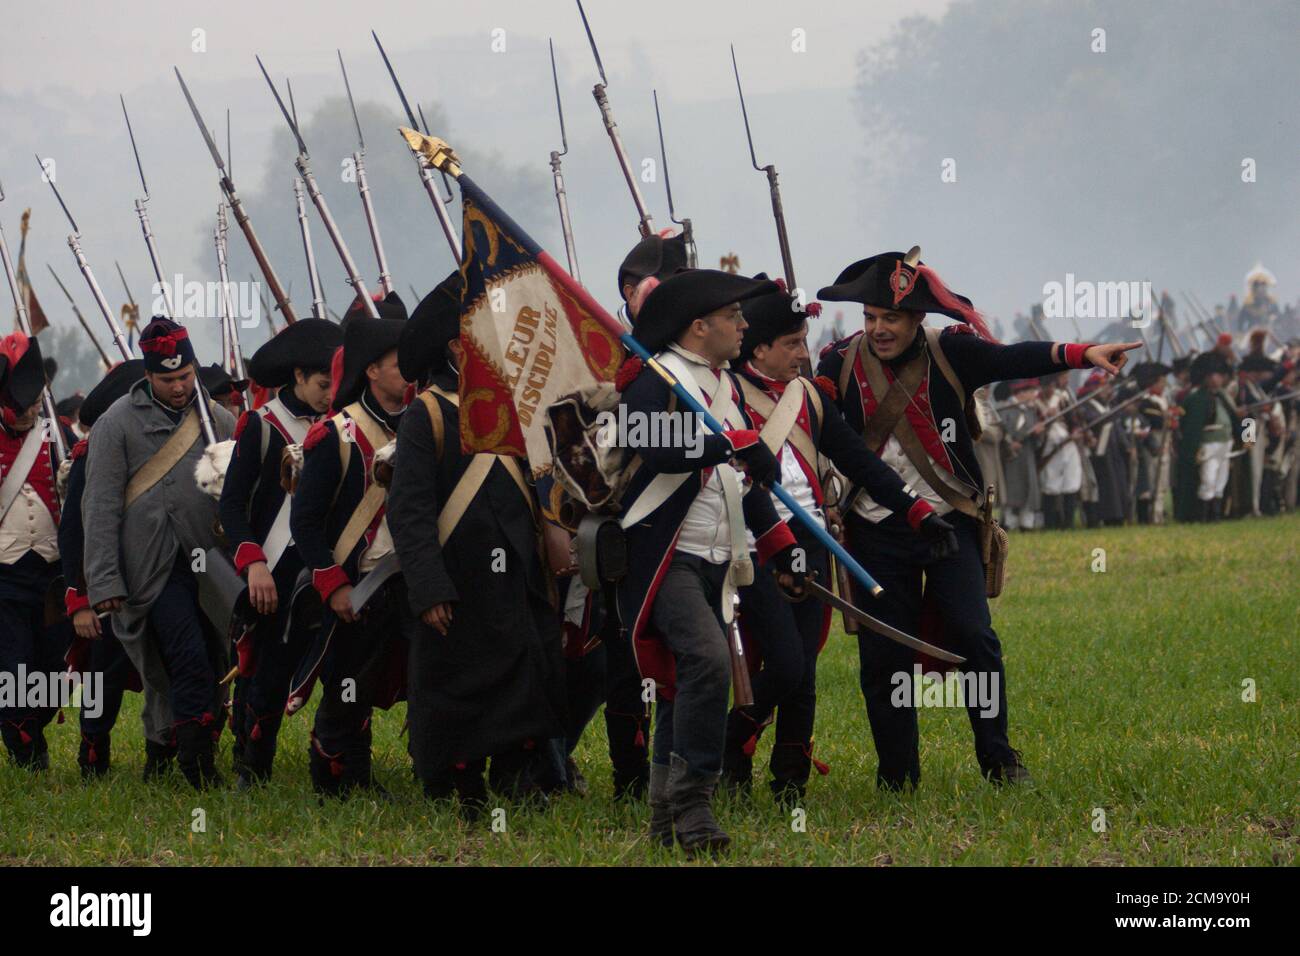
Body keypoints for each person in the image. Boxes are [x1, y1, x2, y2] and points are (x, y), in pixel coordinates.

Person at [815, 249, 1139, 790]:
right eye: (870, 318)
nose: (878, 329)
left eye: (889, 318)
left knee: (974, 638)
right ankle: (897, 774)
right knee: (883, 653)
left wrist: (1084, 353)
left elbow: (1014, 359)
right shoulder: (837, 363)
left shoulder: (953, 353)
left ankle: (999, 759)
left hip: (948, 522)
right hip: (875, 527)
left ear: (916, 318)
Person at [724, 280, 955, 805]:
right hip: (752, 541)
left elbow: (861, 462)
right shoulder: (726, 397)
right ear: (758, 347)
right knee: (775, 664)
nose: (804, 353)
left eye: (803, 341)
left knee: (802, 668)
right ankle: (728, 751)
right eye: (791, 343)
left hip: (809, 538)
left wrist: (915, 511)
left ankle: (790, 782)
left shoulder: (809, 395)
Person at [614, 269, 804, 854]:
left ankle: (665, 818)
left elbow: (745, 481)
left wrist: (783, 546)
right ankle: (695, 809)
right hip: (662, 558)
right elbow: (653, 442)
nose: (745, 326)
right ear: (701, 326)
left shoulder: (721, 387)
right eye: (734, 318)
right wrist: (728, 443)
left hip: (719, 561)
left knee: (679, 686)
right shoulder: (652, 380)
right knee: (707, 661)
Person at [388, 271, 565, 815]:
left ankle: (521, 775)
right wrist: (429, 587)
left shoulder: (518, 409)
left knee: (526, 672)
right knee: (459, 685)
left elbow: (544, 484)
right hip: (457, 577)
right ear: (455, 348)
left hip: (517, 570)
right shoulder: (429, 415)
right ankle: (462, 783)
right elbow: (409, 511)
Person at [83, 318, 237, 789]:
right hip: (154, 568)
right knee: (185, 659)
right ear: (148, 375)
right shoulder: (115, 424)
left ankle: (171, 748)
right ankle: (197, 769)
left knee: (215, 662)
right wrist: (104, 581)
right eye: (168, 379)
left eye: (186, 376)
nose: (179, 386)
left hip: (211, 564)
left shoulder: (222, 421)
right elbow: (100, 505)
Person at [288, 300, 412, 798]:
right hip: (356, 584)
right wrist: (332, 583)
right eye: (400, 363)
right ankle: (337, 773)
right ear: (374, 369)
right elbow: (306, 521)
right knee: (349, 684)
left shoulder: (419, 426)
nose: (409, 373)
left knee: (397, 675)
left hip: (407, 577)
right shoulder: (335, 435)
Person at [219, 319, 340, 787]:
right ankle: (253, 763)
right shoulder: (263, 425)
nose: (330, 393)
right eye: (322, 384)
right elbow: (232, 501)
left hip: (324, 561)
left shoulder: (337, 425)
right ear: (298, 378)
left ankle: (336, 760)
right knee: (267, 667)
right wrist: (252, 564)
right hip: (273, 566)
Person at [60, 360, 147, 777]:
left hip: (157, 577)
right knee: (104, 674)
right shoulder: (88, 454)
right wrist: (81, 600)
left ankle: (166, 751)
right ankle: (93, 746)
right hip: (109, 582)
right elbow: (75, 532)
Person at [0, 332, 75, 768]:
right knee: (14, 669)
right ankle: (25, 746)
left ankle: (28, 724)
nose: (30, 409)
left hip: (51, 576)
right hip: (5, 575)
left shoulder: (59, 435)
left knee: (56, 670)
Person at [1174, 351, 1237, 522]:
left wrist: (1248, 439)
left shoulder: (1224, 396)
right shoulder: (1195, 399)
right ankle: (1203, 516)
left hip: (1225, 443)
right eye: (1213, 375)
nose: (1217, 379)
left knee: (1220, 481)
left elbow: (1238, 419)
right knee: (1208, 479)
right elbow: (1191, 429)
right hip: (1207, 444)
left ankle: (1215, 515)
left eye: (1219, 375)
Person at [999, 379, 1043, 531]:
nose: (1034, 395)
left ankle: (1027, 524)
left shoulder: (1031, 411)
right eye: (1031, 391)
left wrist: (1038, 433)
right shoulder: (1005, 409)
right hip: (1011, 457)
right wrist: (1010, 444)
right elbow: (1000, 432)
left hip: (1027, 455)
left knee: (1029, 489)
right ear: (1021, 393)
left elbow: (1037, 442)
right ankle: (1010, 522)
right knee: (1012, 490)